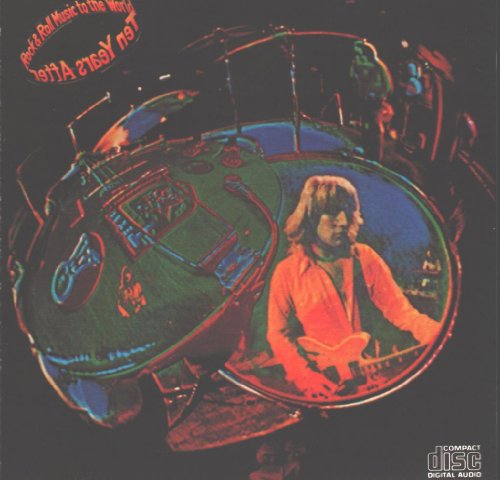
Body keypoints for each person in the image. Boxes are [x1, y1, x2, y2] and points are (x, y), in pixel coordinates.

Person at [267, 176, 440, 398]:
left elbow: (402, 313)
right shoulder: (287, 272)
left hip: (372, 378)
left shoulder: (365, 258)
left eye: (347, 211)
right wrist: (305, 376)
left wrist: (436, 331)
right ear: (310, 217)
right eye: (332, 212)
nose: (342, 221)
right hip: (326, 384)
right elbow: (278, 335)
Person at [349, 40, 393, 161]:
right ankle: (366, 148)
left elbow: (387, 86)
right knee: (366, 124)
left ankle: (376, 154)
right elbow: (355, 79)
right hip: (366, 99)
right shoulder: (360, 67)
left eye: (360, 54)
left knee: (374, 125)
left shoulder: (378, 67)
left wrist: (378, 95)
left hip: (375, 100)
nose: (357, 57)